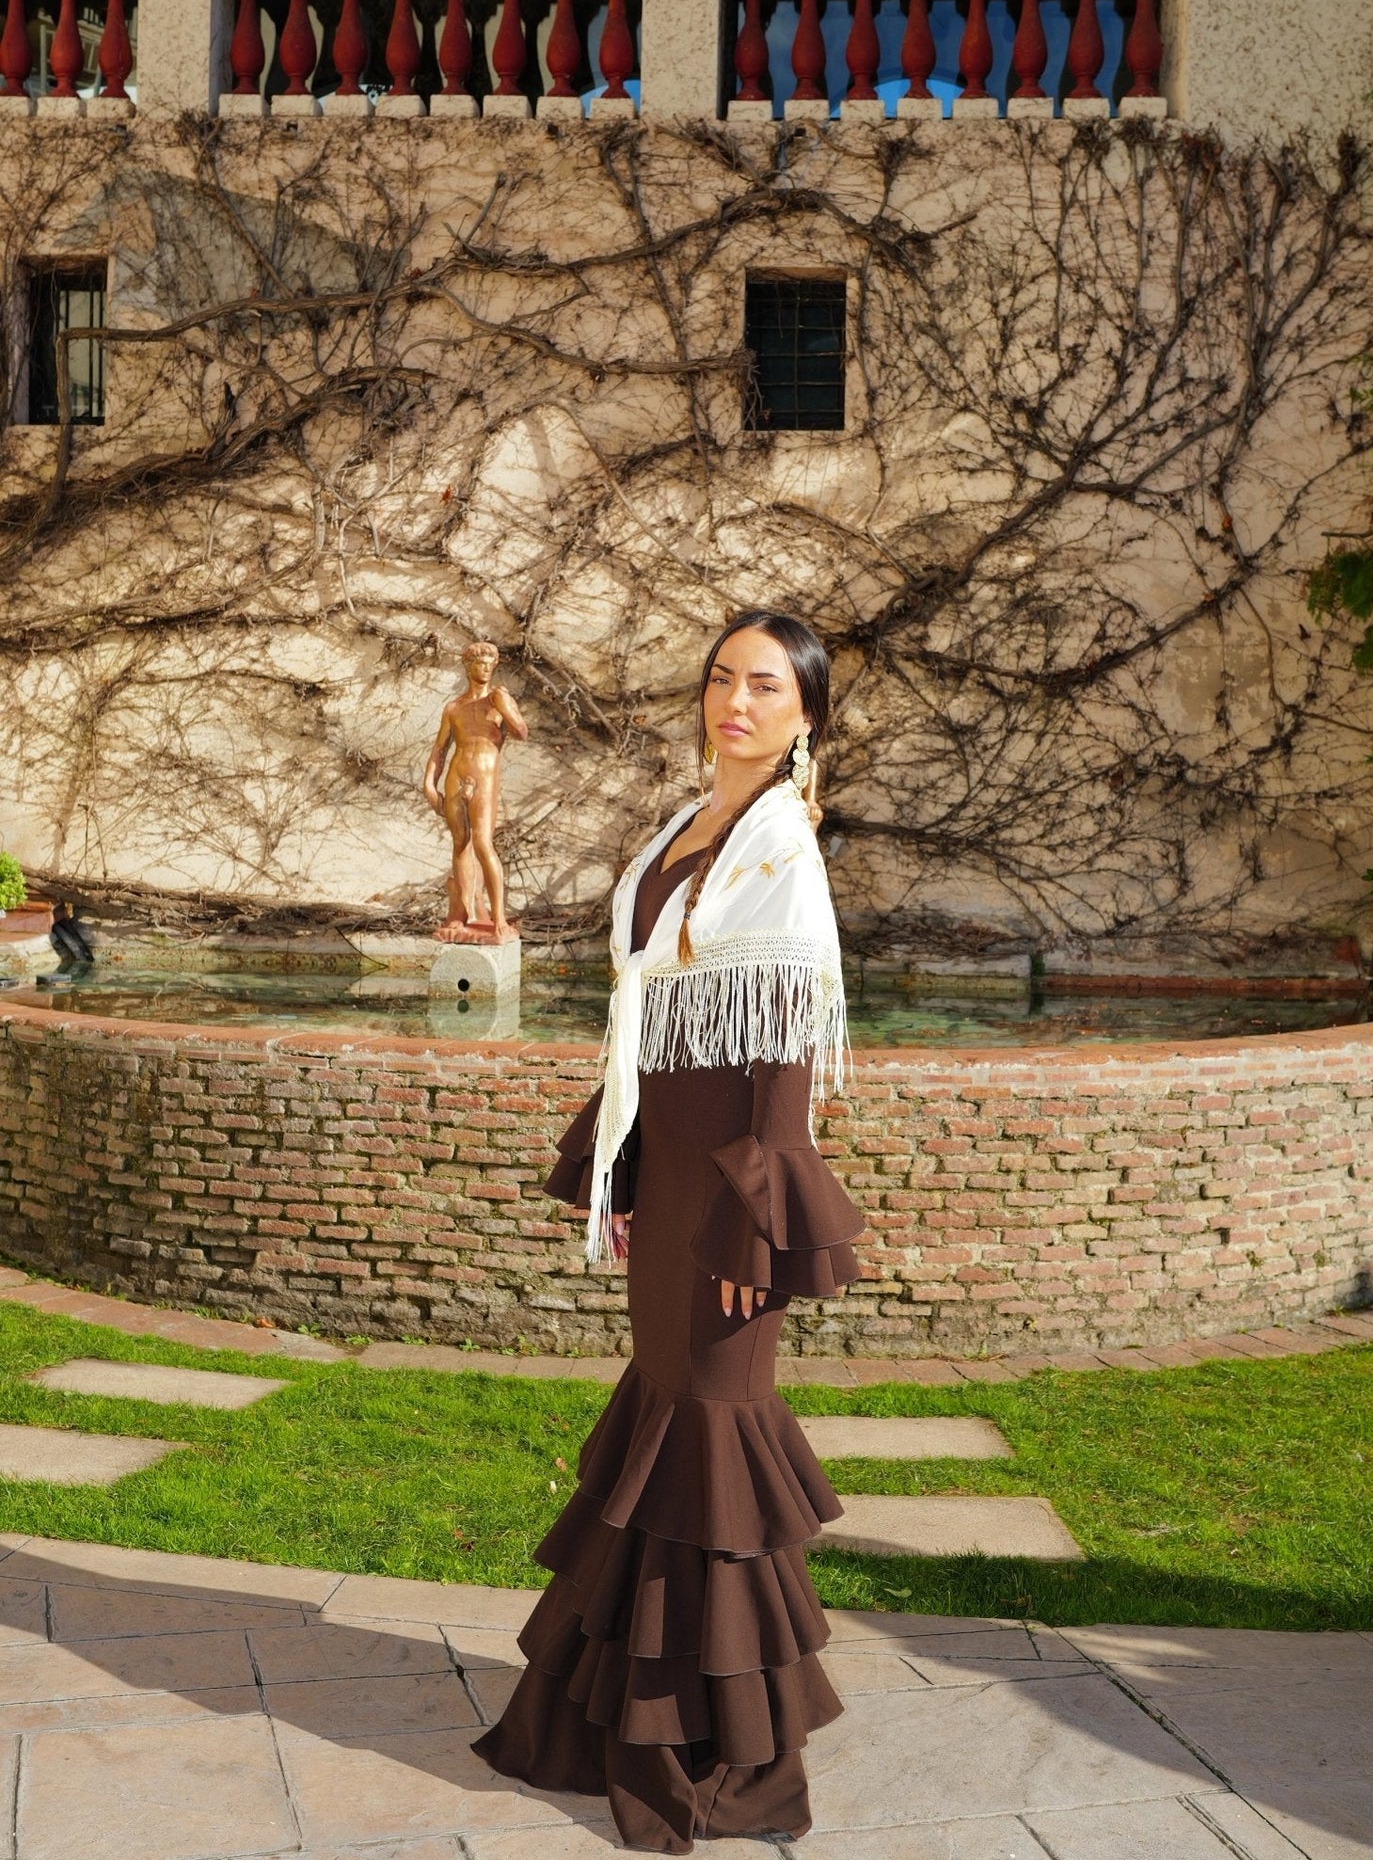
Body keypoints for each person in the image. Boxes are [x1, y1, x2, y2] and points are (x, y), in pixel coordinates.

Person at [472, 611, 865, 1853]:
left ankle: (729, 1756)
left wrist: (760, 1236)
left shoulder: (781, 850)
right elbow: (651, 1022)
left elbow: (779, 1056)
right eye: (718, 679)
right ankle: (607, 1721)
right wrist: (622, 1159)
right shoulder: (681, 829)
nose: (732, 701)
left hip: (729, 1206)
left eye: (762, 686)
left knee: (715, 1446)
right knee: (668, 1426)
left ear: (803, 713)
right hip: (671, 1181)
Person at [423, 640, 528, 941]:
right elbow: (439, 750)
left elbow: (521, 732)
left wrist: (505, 707)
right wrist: (429, 783)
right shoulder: (454, 707)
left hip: (484, 775)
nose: (486, 667)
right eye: (480, 662)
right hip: (456, 775)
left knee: (483, 843)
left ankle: (498, 918)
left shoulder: (497, 698)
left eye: (491, 662)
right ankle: (462, 913)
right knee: (460, 843)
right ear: (468, 667)